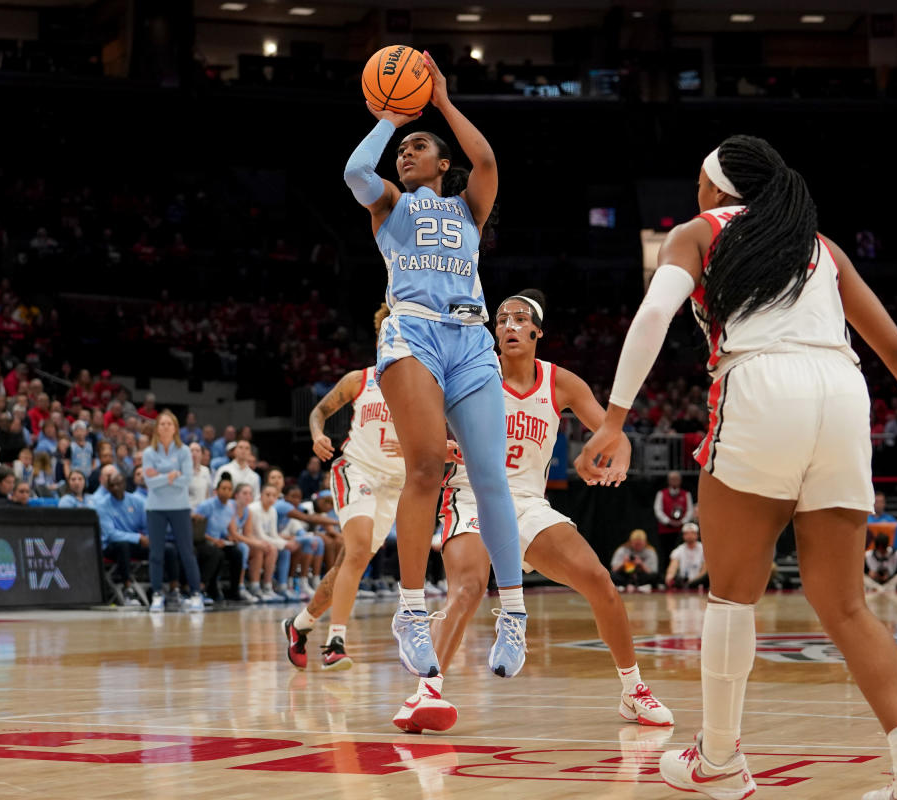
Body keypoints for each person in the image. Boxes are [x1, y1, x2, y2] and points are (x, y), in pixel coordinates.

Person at [577, 135, 897, 799]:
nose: (696, 193)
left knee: (732, 594)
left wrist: (616, 418)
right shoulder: (820, 247)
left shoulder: (699, 230)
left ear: (717, 188)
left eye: (699, 182)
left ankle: (718, 760)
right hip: (843, 391)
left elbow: (655, 311)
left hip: (762, 386)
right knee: (848, 606)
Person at [391, 291, 670, 734]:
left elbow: (613, 433)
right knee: (468, 586)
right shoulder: (468, 373)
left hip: (527, 503)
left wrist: (611, 455)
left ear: (538, 332)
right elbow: (405, 426)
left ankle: (632, 690)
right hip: (471, 494)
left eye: (521, 319)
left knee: (599, 581)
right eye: (501, 319)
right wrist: (434, 444)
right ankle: (426, 693)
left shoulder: (561, 382)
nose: (509, 326)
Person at [345, 49, 526, 679]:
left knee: (489, 476)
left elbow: (487, 161)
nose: (406, 153)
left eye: (419, 146)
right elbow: (354, 170)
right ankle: (411, 612)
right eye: (404, 147)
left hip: (471, 339)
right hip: (413, 333)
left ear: (443, 164)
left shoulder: (468, 207)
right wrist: (391, 118)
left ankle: (515, 615)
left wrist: (441, 102)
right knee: (425, 464)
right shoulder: (391, 202)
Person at [283, 306, 406, 671]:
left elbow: (440, 436)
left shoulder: (424, 387)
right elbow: (319, 412)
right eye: (388, 333)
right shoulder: (360, 380)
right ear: (380, 337)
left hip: (394, 486)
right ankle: (335, 642)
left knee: (346, 566)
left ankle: (299, 625)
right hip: (357, 470)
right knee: (355, 554)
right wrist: (318, 434)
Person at [141, 410, 203, 613]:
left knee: (187, 552)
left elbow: (186, 480)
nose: (166, 427)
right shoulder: (149, 453)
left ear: (175, 428)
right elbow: (150, 483)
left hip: (180, 507)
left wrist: (161, 475)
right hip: (156, 508)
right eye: (162, 424)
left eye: (169, 423)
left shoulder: (184, 451)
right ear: (157, 428)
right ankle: (157, 594)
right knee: (156, 554)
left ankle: (196, 594)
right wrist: (171, 475)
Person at [95, 472, 151, 602]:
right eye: (112, 485)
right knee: (122, 546)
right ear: (108, 487)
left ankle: (162, 589)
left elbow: (146, 526)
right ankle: (127, 588)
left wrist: (148, 537)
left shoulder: (137, 502)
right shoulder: (102, 505)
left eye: (118, 484)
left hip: (134, 544)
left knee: (166, 548)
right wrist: (138, 537)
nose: (115, 488)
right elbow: (111, 534)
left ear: (124, 484)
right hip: (111, 546)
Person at [192, 476, 246, 603]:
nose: (226, 491)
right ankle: (208, 587)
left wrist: (228, 537)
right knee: (218, 554)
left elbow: (223, 529)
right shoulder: (206, 506)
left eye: (229, 489)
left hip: (218, 541)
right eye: (223, 488)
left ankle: (235, 590)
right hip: (202, 541)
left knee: (237, 553)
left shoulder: (229, 509)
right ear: (216, 490)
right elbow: (196, 530)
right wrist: (213, 540)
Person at [653, 471, 694, 576]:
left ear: (680, 481)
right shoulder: (661, 494)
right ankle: (665, 576)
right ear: (668, 481)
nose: (674, 481)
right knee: (666, 554)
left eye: (676, 479)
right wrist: (668, 521)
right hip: (665, 530)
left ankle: (679, 576)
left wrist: (682, 522)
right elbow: (658, 510)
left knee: (681, 553)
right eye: (672, 479)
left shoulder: (686, 494)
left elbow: (690, 510)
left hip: (681, 531)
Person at [665, 523, 709, 590]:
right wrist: (669, 576)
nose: (689, 535)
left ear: (697, 535)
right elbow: (672, 567)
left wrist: (691, 582)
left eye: (692, 533)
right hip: (683, 581)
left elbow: (704, 571)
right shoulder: (679, 550)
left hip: (699, 581)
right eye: (687, 533)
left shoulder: (704, 549)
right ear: (683, 535)